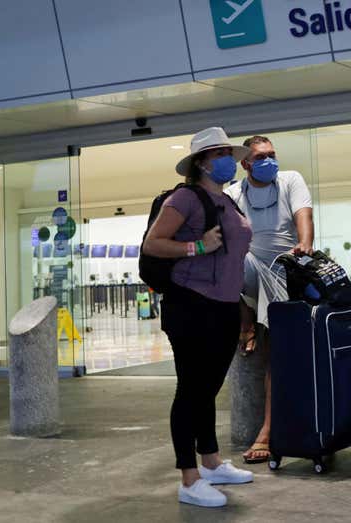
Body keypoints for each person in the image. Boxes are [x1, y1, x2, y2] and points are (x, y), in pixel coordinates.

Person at [142, 126, 254, 508]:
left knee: (207, 389)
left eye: (229, 152)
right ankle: (189, 479)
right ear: (201, 163)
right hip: (190, 305)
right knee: (191, 390)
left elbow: (231, 260)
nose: (228, 160)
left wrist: (241, 306)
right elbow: (153, 243)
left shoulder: (229, 201)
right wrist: (196, 246)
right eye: (219, 153)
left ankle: (211, 462)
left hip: (222, 306)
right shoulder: (185, 197)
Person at [224, 135, 315, 464]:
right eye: (260, 157)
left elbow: (304, 217)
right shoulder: (234, 193)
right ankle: (248, 318)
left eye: (272, 155)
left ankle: (250, 321)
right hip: (248, 271)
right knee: (230, 257)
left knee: (272, 344)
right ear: (246, 163)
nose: (268, 161)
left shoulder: (290, 180)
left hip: (286, 270)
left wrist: (304, 244)